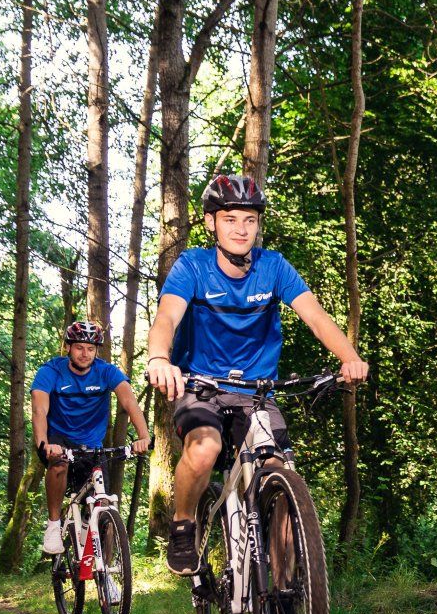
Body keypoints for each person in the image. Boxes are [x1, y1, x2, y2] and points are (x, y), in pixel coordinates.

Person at [144, 174, 368, 575]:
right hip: (201, 387)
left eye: (249, 220)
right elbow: (167, 317)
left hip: (257, 393)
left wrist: (350, 358)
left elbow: (315, 317)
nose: (241, 229)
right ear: (212, 222)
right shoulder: (192, 266)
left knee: (280, 473)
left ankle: (284, 591)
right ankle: (182, 524)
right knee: (205, 448)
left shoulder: (273, 267)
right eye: (230, 219)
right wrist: (160, 359)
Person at [30, 321, 151, 556]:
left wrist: (143, 436)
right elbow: (39, 410)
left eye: (91, 348)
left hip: (92, 445)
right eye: (79, 348)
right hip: (59, 439)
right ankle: (54, 524)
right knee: (59, 465)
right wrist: (44, 444)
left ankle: (105, 571)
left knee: (103, 506)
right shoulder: (51, 371)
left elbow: (129, 402)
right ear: (68, 348)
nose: (85, 354)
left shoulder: (106, 371)